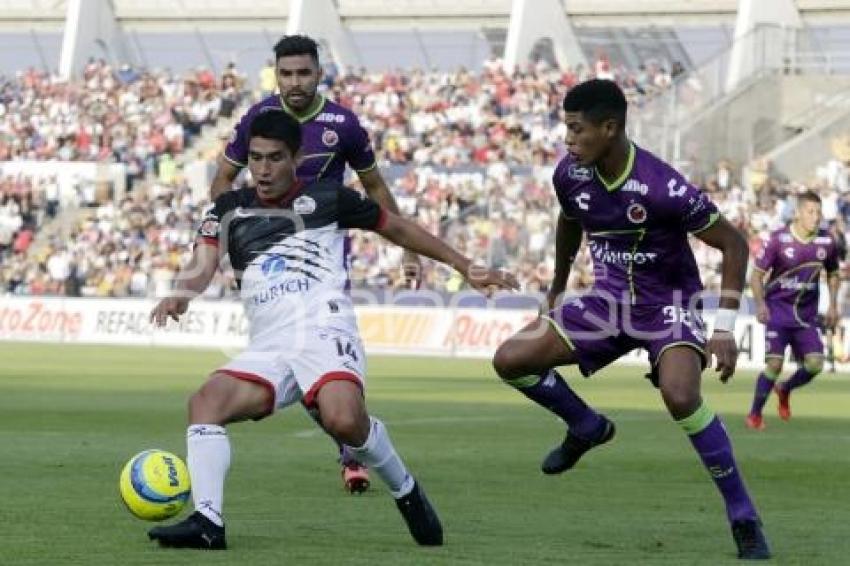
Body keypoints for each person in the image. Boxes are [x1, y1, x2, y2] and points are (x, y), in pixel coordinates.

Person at [147, 109, 516, 550]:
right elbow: (203, 263)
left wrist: (466, 266)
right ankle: (209, 522)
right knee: (205, 403)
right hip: (270, 344)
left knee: (343, 421)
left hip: (324, 329)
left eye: (275, 158)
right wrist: (181, 294)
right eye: (256, 159)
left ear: (297, 157)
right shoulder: (228, 208)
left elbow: (396, 227)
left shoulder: (328, 198)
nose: (263, 170)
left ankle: (406, 490)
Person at [491, 79, 770, 560]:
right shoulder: (570, 175)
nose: (567, 140)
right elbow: (569, 220)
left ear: (609, 127)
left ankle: (742, 514)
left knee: (680, 395)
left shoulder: (661, 185)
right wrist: (557, 288)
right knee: (510, 359)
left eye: (577, 131)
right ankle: (586, 425)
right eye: (566, 129)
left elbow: (734, 243)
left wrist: (723, 326)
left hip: (667, 306)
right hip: (608, 303)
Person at [211, 34, 421, 492]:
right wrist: (234, 241)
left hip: (321, 255)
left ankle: (350, 448)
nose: (295, 82)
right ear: (275, 75)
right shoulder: (258, 119)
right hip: (265, 259)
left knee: (318, 342)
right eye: (286, 73)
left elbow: (377, 189)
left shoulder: (341, 124)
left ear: (319, 74)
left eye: (303, 72)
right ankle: (348, 443)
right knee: (292, 347)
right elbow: (224, 180)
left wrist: (407, 248)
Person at [746, 191, 839, 429]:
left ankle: (785, 389)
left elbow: (833, 274)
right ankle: (754, 414)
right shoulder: (777, 240)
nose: (816, 217)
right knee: (775, 364)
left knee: (816, 363)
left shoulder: (827, 242)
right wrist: (760, 304)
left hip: (805, 316)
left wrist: (833, 305)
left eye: (819, 212)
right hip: (777, 312)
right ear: (797, 213)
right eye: (810, 212)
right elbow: (755, 276)